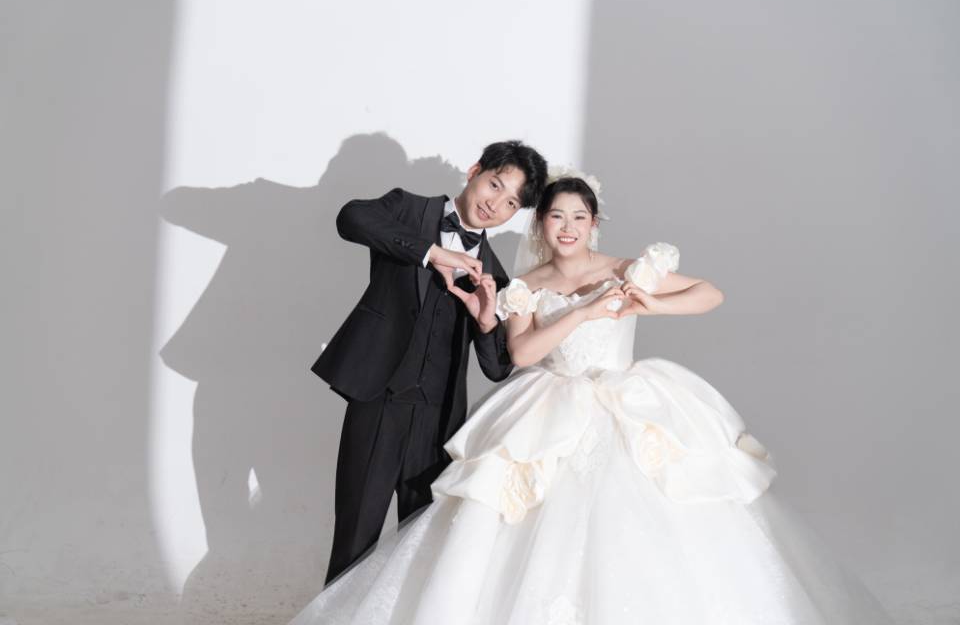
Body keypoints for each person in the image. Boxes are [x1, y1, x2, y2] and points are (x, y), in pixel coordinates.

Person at [294, 172, 895, 623]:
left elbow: (710, 293)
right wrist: (578, 312)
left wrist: (650, 304)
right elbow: (519, 355)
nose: (567, 227)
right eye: (555, 216)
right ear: (540, 225)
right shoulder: (521, 283)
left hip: (628, 403)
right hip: (547, 405)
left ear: (594, 223)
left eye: (578, 217)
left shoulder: (627, 268)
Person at [310, 140, 548, 585]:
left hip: (439, 420)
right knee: (355, 538)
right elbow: (350, 218)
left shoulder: (494, 274)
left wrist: (485, 322)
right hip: (379, 399)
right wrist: (433, 252)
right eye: (495, 185)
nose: (495, 204)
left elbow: (498, 368)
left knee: (420, 546)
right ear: (474, 171)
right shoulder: (408, 209)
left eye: (511, 203)